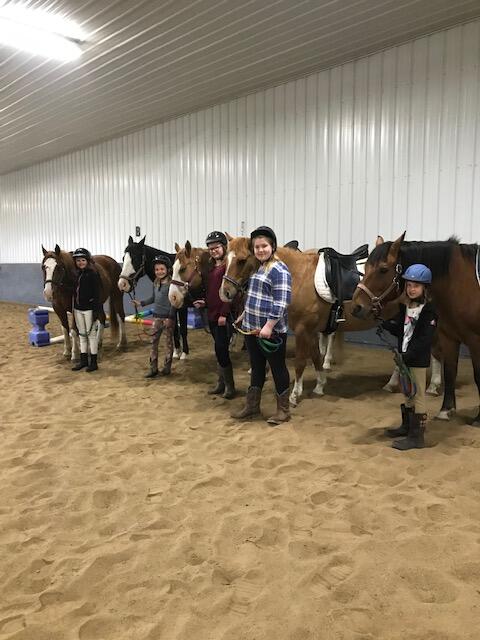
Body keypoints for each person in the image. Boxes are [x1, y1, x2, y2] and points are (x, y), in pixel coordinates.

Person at [231, 226, 292, 425]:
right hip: (252, 328)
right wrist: (244, 314)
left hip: (271, 332)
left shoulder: (279, 270)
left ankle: (283, 411)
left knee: (277, 368)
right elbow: (255, 296)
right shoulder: (257, 267)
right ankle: (252, 406)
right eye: (257, 247)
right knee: (257, 367)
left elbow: (281, 302)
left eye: (264, 246)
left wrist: (269, 326)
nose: (260, 250)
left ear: (272, 246)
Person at [381, 264, 437, 450]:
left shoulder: (429, 311)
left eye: (416, 286)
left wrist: (409, 355)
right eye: (409, 285)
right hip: (404, 357)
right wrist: (384, 325)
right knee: (408, 392)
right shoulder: (405, 307)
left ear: (425, 288)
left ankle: (417, 437)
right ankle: (407, 426)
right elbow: (401, 329)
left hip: (417, 359)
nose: (412, 289)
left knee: (418, 394)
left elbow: (425, 339)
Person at [193, 231, 236, 399]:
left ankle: (230, 386)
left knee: (221, 349)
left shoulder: (227, 267)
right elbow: (211, 291)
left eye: (216, 247)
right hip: (211, 313)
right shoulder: (210, 267)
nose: (213, 251)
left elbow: (229, 293)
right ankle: (221, 383)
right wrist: (204, 302)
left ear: (224, 247)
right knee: (218, 350)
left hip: (222, 316)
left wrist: (224, 313)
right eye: (210, 248)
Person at [133, 255, 175, 378]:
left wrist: (170, 317)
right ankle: (153, 368)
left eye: (162, 269)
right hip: (156, 317)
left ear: (167, 269)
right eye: (157, 269)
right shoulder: (155, 283)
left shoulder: (172, 284)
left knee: (168, 343)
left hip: (167, 319)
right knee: (153, 342)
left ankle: (167, 367)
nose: (159, 272)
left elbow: (173, 303)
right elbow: (153, 298)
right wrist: (141, 303)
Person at [71, 248, 102, 372]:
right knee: (82, 335)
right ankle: (83, 361)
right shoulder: (76, 275)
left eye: (83, 260)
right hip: (78, 309)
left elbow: (97, 294)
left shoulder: (93, 275)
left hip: (89, 310)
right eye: (78, 260)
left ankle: (93, 362)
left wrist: (96, 312)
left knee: (91, 335)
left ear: (87, 261)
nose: (80, 263)